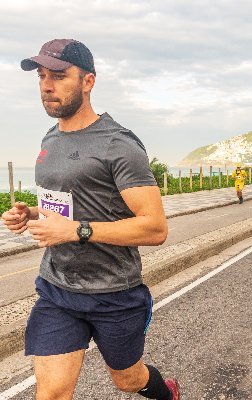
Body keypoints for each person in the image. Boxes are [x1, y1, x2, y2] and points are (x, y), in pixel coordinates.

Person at [1, 39, 180, 400]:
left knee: (128, 380)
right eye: (41, 76)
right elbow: (68, 204)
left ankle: (167, 393)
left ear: (88, 81)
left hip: (114, 293)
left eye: (58, 76)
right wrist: (32, 213)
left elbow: (155, 227)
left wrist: (75, 230)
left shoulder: (119, 144)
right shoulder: (51, 137)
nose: (46, 85)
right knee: (50, 393)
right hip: (57, 289)